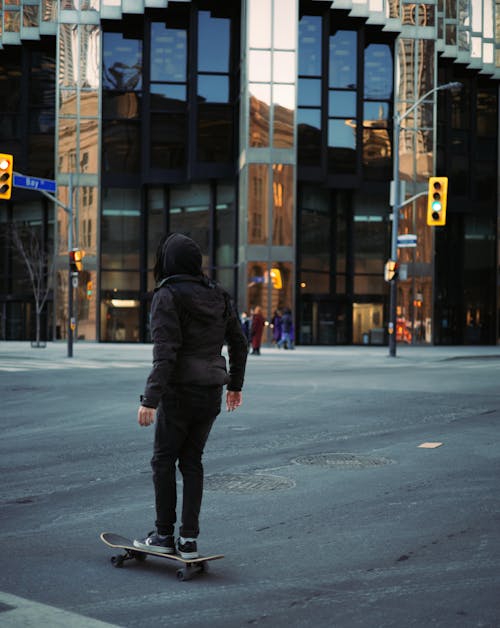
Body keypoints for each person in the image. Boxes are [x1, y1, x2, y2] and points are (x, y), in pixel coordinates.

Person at [134, 233, 248, 559]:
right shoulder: (219, 295)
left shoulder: (167, 295)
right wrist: (235, 385)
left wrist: (150, 400)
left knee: (163, 461)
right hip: (210, 392)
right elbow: (240, 344)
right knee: (192, 462)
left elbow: (165, 353)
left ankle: (163, 535)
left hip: (179, 393)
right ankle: (188, 540)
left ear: (168, 261)